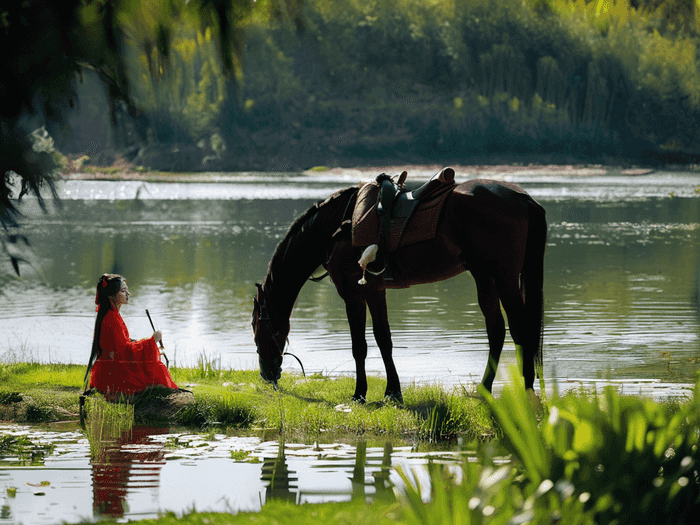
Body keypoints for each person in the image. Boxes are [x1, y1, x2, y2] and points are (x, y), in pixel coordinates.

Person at [87, 274, 178, 398]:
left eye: (127, 290)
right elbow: (125, 351)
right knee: (157, 370)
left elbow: (121, 345)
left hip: (110, 370)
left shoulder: (112, 315)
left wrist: (143, 342)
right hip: (113, 375)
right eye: (123, 291)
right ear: (111, 295)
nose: (128, 294)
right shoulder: (112, 319)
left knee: (156, 370)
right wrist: (151, 341)